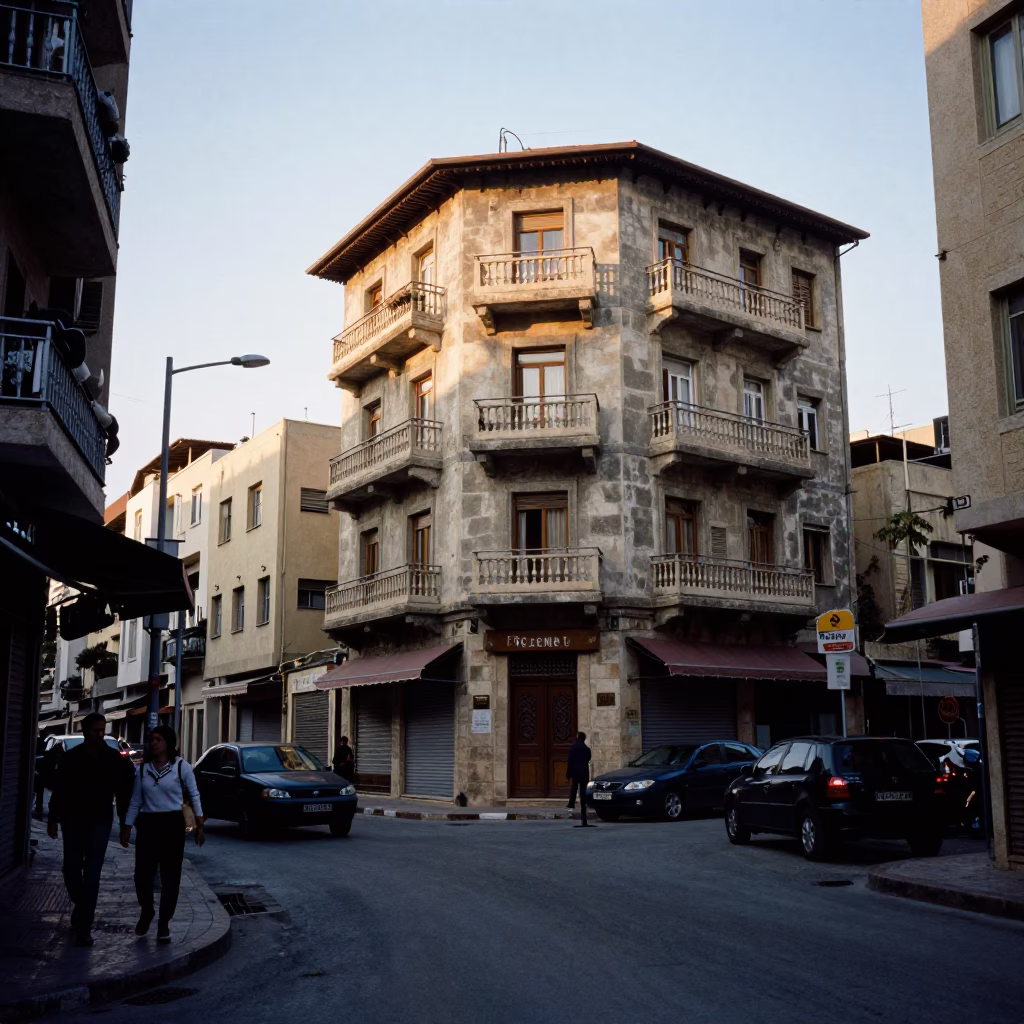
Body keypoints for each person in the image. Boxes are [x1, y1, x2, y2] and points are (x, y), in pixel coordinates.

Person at [47, 713, 136, 946]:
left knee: (93, 874)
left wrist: (126, 823)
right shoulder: (71, 758)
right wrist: (52, 818)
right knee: (71, 869)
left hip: (100, 822)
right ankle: (81, 906)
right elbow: (60, 789)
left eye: (102, 730)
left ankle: (84, 926)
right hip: (73, 821)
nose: (100, 734)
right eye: (96, 730)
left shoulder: (113, 758)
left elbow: (124, 792)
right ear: (85, 731)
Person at [120, 726, 205, 944]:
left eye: (158, 739)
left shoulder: (181, 767)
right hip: (148, 824)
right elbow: (136, 800)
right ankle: (147, 910)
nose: (154, 743)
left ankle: (164, 922)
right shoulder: (142, 770)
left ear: (168, 742)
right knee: (142, 875)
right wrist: (127, 826)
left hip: (172, 824)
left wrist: (199, 823)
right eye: (152, 740)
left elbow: (194, 795)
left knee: (171, 876)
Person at [566, 731, 592, 827]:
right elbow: (588, 758)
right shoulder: (587, 749)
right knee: (583, 791)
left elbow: (570, 761)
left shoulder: (573, 748)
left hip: (576, 772)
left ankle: (571, 803)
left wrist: (568, 774)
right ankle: (584, 807)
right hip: (584, 773)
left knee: (574, 787)